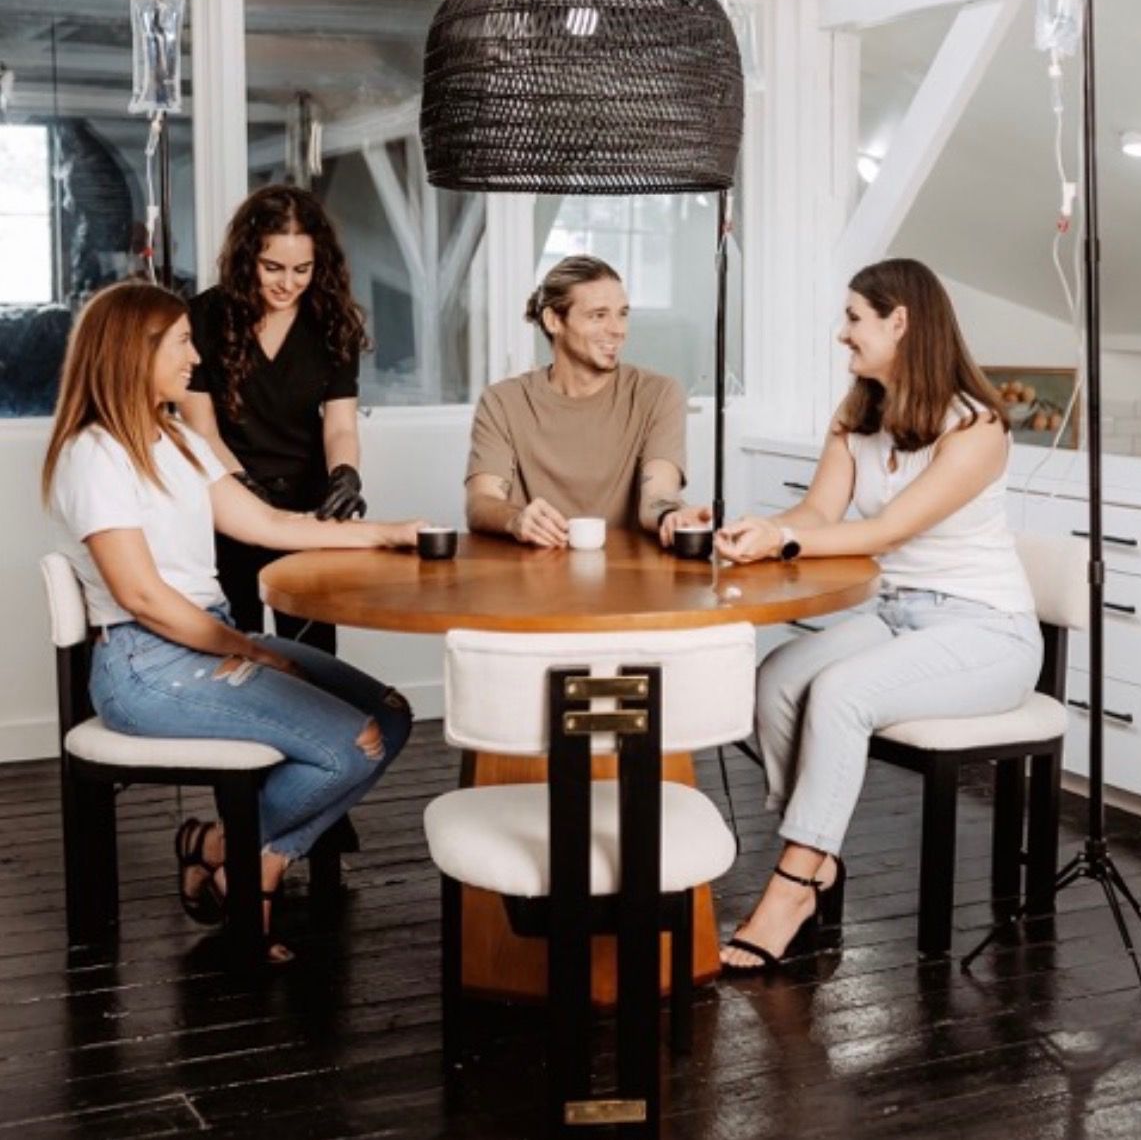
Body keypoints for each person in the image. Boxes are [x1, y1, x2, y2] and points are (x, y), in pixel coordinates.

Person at [43, 281, 428, 963]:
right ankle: (250, 879)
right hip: (148, 664)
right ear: (136, 351)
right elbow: (143, 597)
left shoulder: (181, 439)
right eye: (183, 342)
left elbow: (267, 524)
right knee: (351, 742)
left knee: (390, 715)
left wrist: (388, 534)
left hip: (205, 636)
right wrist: (248, 649)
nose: (197, 358)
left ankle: (232, 854)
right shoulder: (94, 454)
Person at [714, 258, 1042, 971]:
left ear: (899, 322)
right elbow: (816, 512)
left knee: (840, 693)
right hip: (897, 614)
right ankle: (816, 854)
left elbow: (886, 532)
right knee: (773, 679)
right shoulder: (858, 414)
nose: (843, 335)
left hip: (986, 630)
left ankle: (793, 882)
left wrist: (787, 539)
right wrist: (763, 528)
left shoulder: (976, 428)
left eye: (854, 319)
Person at [180, 185, 368, 656]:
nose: (288, 283)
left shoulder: (333, 323)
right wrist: (243, 487)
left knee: (313, 647)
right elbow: (201, 429)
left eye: (302, 269)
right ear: (247, 260)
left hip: (306, 503)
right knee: (235, 645)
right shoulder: (204, 317)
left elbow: (340, 424)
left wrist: (345, 472)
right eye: (273, 268)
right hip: (226, 497)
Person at [465, 255, 709, 548]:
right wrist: (516, 519)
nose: (618, 330)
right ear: (554, 320)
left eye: (622, 313)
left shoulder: (658, 394)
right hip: (533, 574)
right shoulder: (502, 402)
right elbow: (481, 503)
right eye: (598, 315)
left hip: (626, 579)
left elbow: (658, 494)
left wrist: (671, 515)